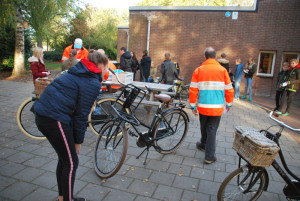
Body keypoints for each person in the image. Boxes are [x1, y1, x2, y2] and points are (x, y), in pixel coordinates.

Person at [33, 51, 108, 201]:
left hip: (44, 115)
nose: (107, 69)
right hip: (54, 118)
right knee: (71, 161)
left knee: (64, 159)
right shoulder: (92, 82)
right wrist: (78, 141)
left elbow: (75, 112)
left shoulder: (78, 72)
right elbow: (81, 115)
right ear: (101, 65)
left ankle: (63, 198)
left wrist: (74, 137)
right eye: (107, 66)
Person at [189, 47, 234, 164]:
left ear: (205, 57)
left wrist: (193, 106)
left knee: (203, 126)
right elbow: (229, 89)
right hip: (217, 107)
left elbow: (193, 90)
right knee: (212, 129)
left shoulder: (198, 70)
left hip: (203, 106)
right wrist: (229, 104)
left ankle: (203, 144)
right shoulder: (223, 70)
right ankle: (209, 156)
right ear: (215, 57)